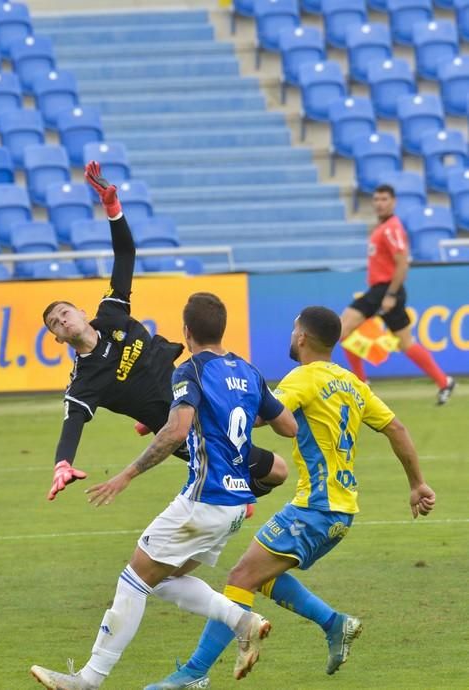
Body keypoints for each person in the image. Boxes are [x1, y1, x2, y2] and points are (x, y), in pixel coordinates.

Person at [146, 306, 436, 690]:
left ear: (301, 337)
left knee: (240, 578)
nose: (290, 335)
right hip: (337, 507)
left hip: (316, 506)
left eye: (293, 329)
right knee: (262, 576)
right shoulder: (351, 382)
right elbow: (396, 427)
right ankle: (335, 624)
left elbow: (258, 415)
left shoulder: (303, 378)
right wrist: (417, 483)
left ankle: (194, 673)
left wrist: (186, 415)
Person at [30, 292, 298, 689]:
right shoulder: (247, 371)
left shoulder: (188, 372)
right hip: (235, 504)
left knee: (133, 581)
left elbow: (175, 432)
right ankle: (242, 621)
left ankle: (86, 681)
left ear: (186, 332)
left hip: (204, 499)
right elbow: (288, 427)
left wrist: (126, 476)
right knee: (162, 580)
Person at [44, 161, 288, 502]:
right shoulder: (85, 379)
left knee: (262, 419)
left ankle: (237, 489)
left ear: (81, 313)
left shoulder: (111, 314)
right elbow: (72, 423)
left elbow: (125, 254)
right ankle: (236, 494)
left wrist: (113, 209)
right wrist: (62, 464)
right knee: (276, 470)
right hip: (184, 430)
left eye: (65, 312)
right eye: (55, 323)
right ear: (58, 339)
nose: (63, 320)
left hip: (196, 392)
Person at [340, 184, 455, 405]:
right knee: (405, 343)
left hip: (385, 290)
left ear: (393, 202)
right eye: (376, 199)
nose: (379, 203)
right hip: (380, 290)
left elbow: (402, 263)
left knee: (342, 329)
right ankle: (444, 381)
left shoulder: (392, 228)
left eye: (384, 199)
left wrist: (391, 294)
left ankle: (361, 384)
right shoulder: (382, 227)